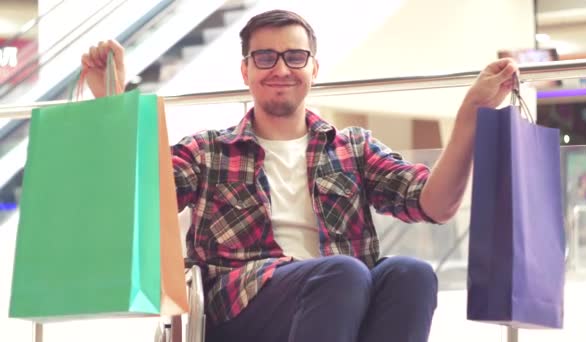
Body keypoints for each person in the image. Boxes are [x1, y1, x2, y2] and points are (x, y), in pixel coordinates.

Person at [82, 9, 517, 342]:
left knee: (411, 273)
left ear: (313, 68)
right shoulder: (209, 149)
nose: (280, 69)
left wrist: (470, 118)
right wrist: (113, 105)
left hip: (343, 289)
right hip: (240, 305)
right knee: (343, 273)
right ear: (246, 71)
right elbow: (139, 198)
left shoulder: (352, 148)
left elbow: (434, 203)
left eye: (295, 56)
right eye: (265, 57)